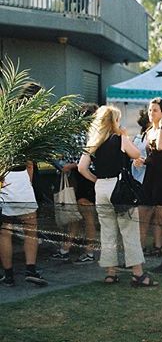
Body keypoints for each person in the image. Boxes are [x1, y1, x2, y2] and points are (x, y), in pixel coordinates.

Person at [78, 105, 157, 287]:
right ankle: (137, 274)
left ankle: (110, 272)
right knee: (129, 231)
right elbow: (136, 154)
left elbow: (82, 167)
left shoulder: (94, 141)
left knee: (107, 232)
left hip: (101, 188)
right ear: (114, 120)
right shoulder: (119, 138)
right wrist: (125, 136)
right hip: (118, 187)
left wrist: (96, 180)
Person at [50, 104, 98, 265]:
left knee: (81, 217)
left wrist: (67, 166)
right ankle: (73, 250)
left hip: (79, 177)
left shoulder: (79, 134)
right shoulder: (93, 134)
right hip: (86, 178)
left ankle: (83, 251)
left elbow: (77, 160)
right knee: (83, 216)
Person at [136, 98, 162, 273]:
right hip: (149, 178)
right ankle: (136, 260)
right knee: (142, 219)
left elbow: (160, 147)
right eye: (150, 110)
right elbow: (153, 156)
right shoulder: (148, 131)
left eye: (155, 110)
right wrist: (142, 161)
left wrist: (161, 126)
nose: (151, 113)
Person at [0, 161, 47, 287]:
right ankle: (30, 270)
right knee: (31, 230)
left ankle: (8, 276)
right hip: (22, 180)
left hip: (4, 180)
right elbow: (30, 164)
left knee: (5, 233)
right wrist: (28, 183)